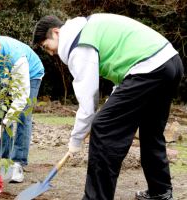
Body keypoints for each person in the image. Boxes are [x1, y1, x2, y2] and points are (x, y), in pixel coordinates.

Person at [33, 13, 184, 200]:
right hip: (169, 63)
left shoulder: (77, 43)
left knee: (103, 128)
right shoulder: (88, 27)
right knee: (151, 132)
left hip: (148, 68)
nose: (50, 53)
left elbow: (88, 103)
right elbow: (123, 73)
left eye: (46, 46)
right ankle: (160, 192)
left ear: (56, 32)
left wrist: (75, 141)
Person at [0, 29, 45, 183]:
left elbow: (21, 98)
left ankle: (18, 163)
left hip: (30, 75)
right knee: (0, 113)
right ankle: (2, 161)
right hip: (4, 76)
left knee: (23, 116)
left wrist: (5, 124)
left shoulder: (17, 57)